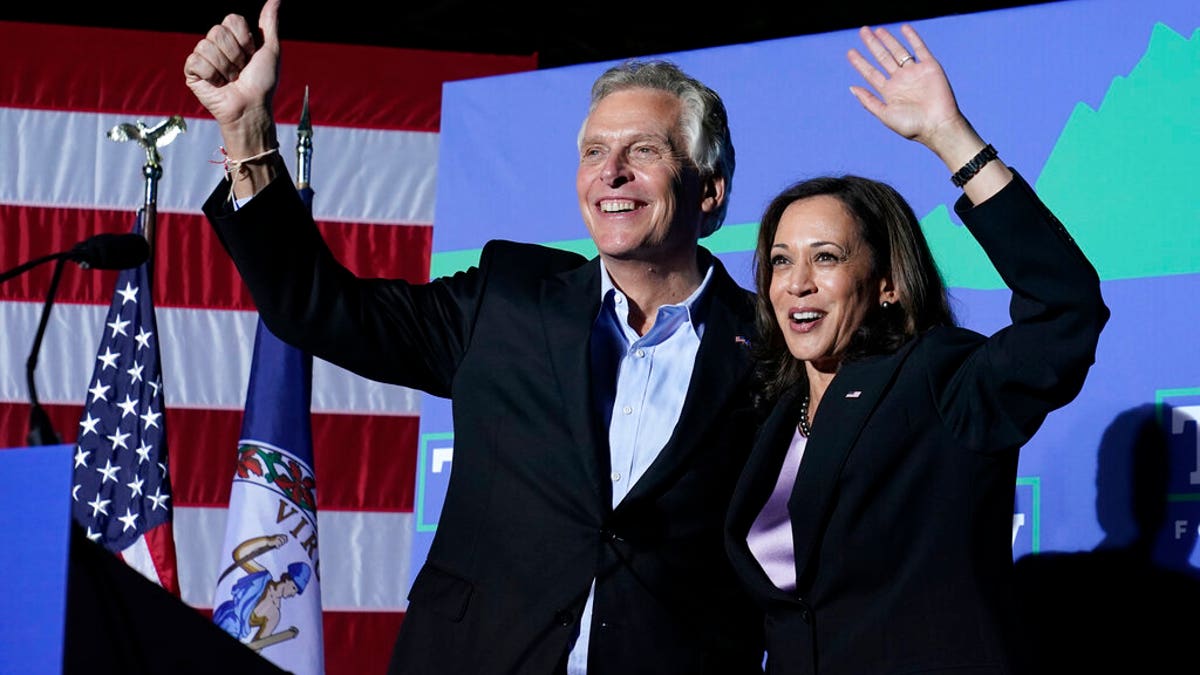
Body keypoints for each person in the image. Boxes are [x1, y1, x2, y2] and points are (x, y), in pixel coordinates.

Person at [183, 1, 764, 673]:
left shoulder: (770, 347)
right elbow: (318, 308)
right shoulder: (508, 297)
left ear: (710, 192)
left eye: (643, 151)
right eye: (595, 152)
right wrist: (249, 130)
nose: (611, 172)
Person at [723, 24, 1108, 674]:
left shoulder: (939, 381)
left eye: (827, 257)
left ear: (889, 285)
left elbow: (1064, 310)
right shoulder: (773, 419)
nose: (797, 282)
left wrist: (950, 138)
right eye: (780, 260)